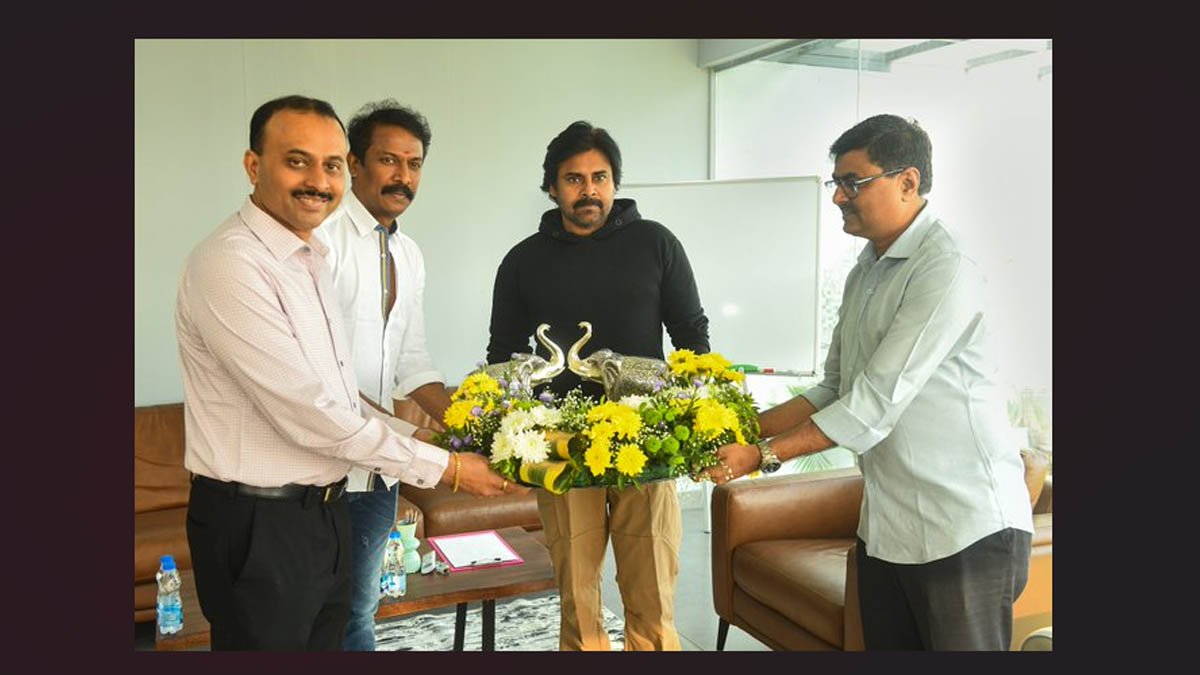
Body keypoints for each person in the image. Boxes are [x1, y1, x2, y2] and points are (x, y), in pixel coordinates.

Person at [175, 94, 511, 651]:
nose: (318, 181)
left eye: (328, 165)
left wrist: (444, 436)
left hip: (332, 500)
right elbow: (310, 411)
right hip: (263, 515)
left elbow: (362, 384)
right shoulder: (237, 261)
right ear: (254, 166)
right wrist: (448, 466)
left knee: (351, 622)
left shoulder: (313, 258)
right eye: (297, 161)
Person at [703, 114, 1034, 651]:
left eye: (852, 183)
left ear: (908, 181)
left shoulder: (945, 266)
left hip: (963, 530)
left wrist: (759, 456)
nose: (838, 197)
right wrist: (736, 432)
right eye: (835, 183)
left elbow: (873, 403)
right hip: (887, 528)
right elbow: (835, 387)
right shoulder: (866, 270)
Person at [486, 120, 710, 651]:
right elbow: (503, 355)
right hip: (560, 444)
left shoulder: (656, 243)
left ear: (615, 182)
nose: (588, 190)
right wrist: (510, 437)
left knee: (653, 598)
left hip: (646, 442)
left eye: (599, 177)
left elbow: (691, 337)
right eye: (574, 179)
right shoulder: (522, 261)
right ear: (552, 186)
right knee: (578, 601)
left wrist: (691, 416)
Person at [312, 99, 459, 651]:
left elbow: (411, 362)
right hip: (320, 472)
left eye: (414, 164)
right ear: (354, 164)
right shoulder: (320, 240)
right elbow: (319, 377)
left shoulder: (410, 254)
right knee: (315, 614)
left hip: (379, 474)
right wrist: (420, 441)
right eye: (388, 160)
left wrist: (469, 426)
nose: (403, 176)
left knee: (360, 610)